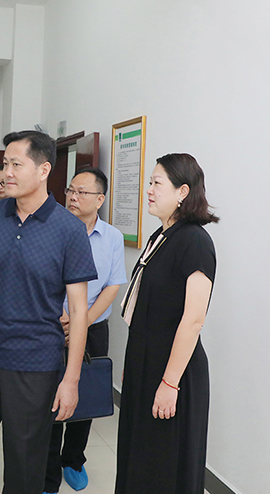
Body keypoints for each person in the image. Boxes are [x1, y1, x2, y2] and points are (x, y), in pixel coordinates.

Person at [0, 131, 98, 494]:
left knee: (24, 456)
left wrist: (71, 379)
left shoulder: (68, 229)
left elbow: (79, 310)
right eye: (5, 164)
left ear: (44, 170)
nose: (8, 173)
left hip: (34, 361)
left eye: (16, 164)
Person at [115, 153, 218, 494]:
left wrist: (170, 383)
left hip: (174, 372)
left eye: (157, 183)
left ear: (182, 192)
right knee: (139, 455)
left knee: (163, 464)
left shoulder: (195, 241)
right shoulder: (161, 236)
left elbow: (193, 319)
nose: (149, 190)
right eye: (150, 182)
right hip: (146, 363)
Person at [44, 168, 127, 494]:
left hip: (93, 327)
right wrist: (61, 315)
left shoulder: (112, 237)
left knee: (85, 394)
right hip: (54, 323)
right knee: (51, 396)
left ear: (100, 199)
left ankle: (73, 460)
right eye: (70, 190)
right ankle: (48, 471)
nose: (73, 197)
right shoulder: (52, 229)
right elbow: (42, 278)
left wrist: (83, 321)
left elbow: (113, 285)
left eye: (82, 192)